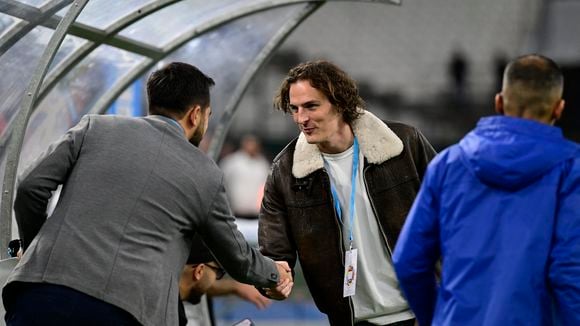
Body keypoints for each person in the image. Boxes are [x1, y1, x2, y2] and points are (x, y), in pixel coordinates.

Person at [2, 62, 292, 326]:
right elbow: (236, 256)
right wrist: (275, 274)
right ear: (195, 114)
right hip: (125, 312)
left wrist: (39, 246)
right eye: (207, 115)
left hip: (39, 296)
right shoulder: (205, 173)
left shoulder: (95, 127)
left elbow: (31, 188)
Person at [392, 54, 580, 325]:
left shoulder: (447, 164)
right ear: (559, 108)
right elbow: (570, 272)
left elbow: (409, 262)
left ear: (499, 102)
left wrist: (439, 318)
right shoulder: (571, 170)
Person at [258, 60, 436, 325]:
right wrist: (273, 278)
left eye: (311, 106)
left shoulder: (404, 145)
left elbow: (454, 212)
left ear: (340, 102)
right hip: (350, 320)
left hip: (423, 312)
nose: (301, 119)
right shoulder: (285, 171)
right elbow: (274, 251)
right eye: (294, 109)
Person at [220, 135, 270, 220]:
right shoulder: (232, 162)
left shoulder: (263, 164)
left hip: (257, 214)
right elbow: (222, 183)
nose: (251, 146)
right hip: (236, 213)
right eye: (249, 143)